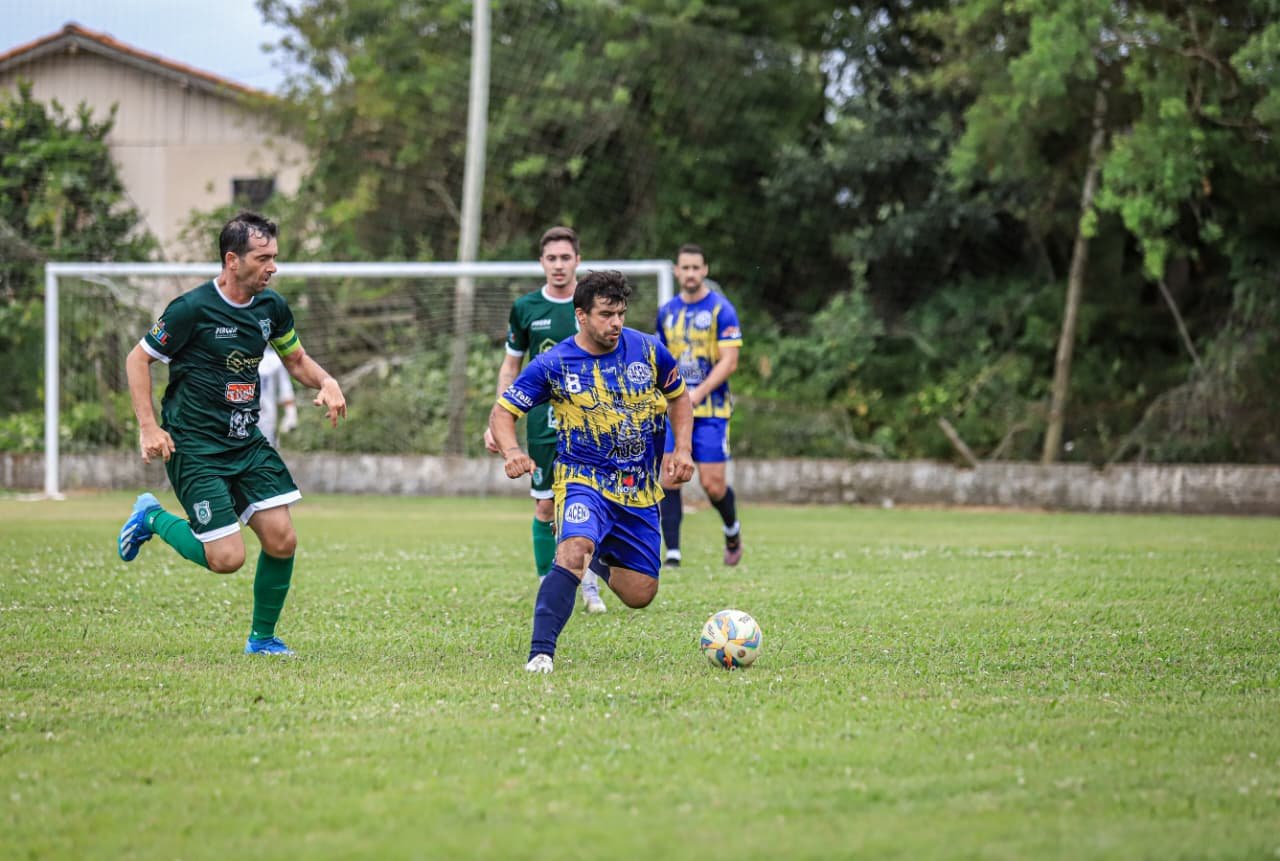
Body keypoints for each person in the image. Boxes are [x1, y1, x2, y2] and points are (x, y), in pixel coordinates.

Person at [116, 211, 348, 656]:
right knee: (227, 559)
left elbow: (296, 360)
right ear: (232, 260)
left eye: (274, 257)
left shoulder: (272, 308)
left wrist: (327, 381)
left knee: (282, 539)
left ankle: (262, 640)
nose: (272, 267)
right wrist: (148, 427)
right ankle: (152, 517)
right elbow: (138, 358)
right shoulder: (191, 309)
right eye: (263, 258)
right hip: (196, 447)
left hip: (246, 442)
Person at [489, 270, 695, 674]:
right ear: (581, 315)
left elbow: (679, 398)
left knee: (640, 594)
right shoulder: (554, 363)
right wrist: (512, 451)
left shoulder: (649, 350)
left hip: (637, 488)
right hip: (582, 479)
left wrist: (682, 449)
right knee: (572, 550)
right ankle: (541, 654)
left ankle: (595, 552)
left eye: (620, 314)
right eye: (605, 314)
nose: (615, 323)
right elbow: (503, 411)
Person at [483, 226, 607, 613]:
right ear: (541, 262)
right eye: (551, 258)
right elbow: (511, 367)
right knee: (544, 506)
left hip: (589, 421)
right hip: (543, 423)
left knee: (591, 503)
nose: (558, 265)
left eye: (565, 258)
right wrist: (498, 420)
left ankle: (590, 586)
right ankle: (546, 585)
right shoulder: (526, 308)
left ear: (578, 261)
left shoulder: (592, 307)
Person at [655, 243, 744, 567]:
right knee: (669, 477)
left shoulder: (722, 310)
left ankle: (732, 531)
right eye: (685, 268)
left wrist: (698, 393)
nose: (691, 273)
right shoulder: (667, 312)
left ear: (705, 270)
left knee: (712, 484)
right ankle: (673, 554)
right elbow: (659, 359)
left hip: (711, 411)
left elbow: (729, 361)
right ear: (676, 271)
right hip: (674, 410)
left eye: (696, 268)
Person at [257, 346, 298, 448]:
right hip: (239, 418)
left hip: (266, 418)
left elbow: (285, 388)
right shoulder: (233, 356)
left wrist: (291, 413)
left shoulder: (274, 360)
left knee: (267, 450)